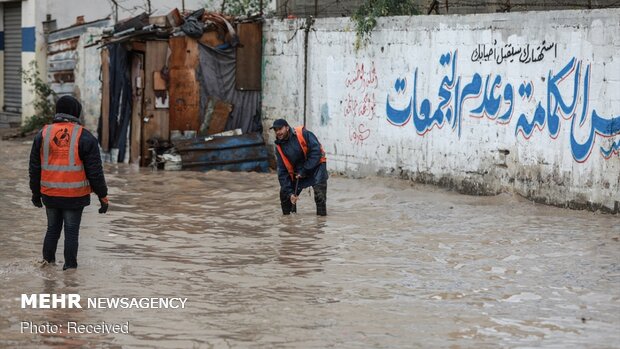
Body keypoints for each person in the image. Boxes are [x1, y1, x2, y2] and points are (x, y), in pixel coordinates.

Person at [29, 96, 109, 270]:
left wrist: (35, 193)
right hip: (74, 196)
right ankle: (70, 271)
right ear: (76, 112)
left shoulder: (43, 134)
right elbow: (95, 172)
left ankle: (47, 267)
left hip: (49, 193)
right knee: (71, 232)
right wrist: (102, 195)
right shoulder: (85, 136)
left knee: (52, 230)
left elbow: (34, 168)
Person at [272, 119, 328, 216]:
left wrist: (304, 170)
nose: (278, 132)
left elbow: (316, 153)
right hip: (298, 173)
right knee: (285, 195)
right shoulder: (279, 147)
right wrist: (290, 194)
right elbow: (282, 171)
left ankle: (321, 223)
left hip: (316, 167)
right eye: (275, 130)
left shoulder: (303, 134)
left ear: (287, 128)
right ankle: (289, 224)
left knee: (320, 196)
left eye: (280, 129)